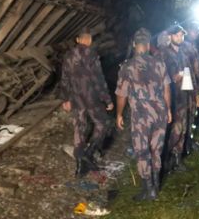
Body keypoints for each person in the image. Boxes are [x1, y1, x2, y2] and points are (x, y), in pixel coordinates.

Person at [115, 28, 172, 201]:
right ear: (148, 45)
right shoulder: (160, 63)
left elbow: (121, 94)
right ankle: (155, 185)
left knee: (142, 152)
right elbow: (167, 89)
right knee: (156, 150)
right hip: (160, 114)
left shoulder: (127, 67)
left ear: (134, 45)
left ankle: (149, 189)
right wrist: (168, 109)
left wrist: (119, 114)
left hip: (140, 117)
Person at [60, 28, 114, 177]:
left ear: (78, 40)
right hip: (92, 98)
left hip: (76, 99)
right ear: (89, 40)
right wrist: (107, 99)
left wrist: (65, 99)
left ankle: (79, 166)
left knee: (79, 129)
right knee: (103, 124)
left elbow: (64, 79)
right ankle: (89, 153)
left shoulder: (68, 56)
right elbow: (99, 80)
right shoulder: (92, 55)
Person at [162, 23, 193, 173]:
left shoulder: (183, 54)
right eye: (177, 35)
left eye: (182, 35)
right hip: (170, 100)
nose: (180, 38)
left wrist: (193, 96)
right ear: (170, 36)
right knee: (175, 130)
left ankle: (177, 159)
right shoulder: (163, 55)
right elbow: (162, 79)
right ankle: (165, 157)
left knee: (183, 130)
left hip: (183, 98)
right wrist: (175, 77)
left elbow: (188, 76)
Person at [182, 20, 199, 155]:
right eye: (195, 30)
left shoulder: (193, 45)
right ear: (188, 30)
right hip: (185, 86)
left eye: (198, 30)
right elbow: (186, 71)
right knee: (184, 117)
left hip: (192, 83)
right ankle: (182, 147)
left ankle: (188, 141)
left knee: (190, 116)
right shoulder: (184, 47)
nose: (197, 33)